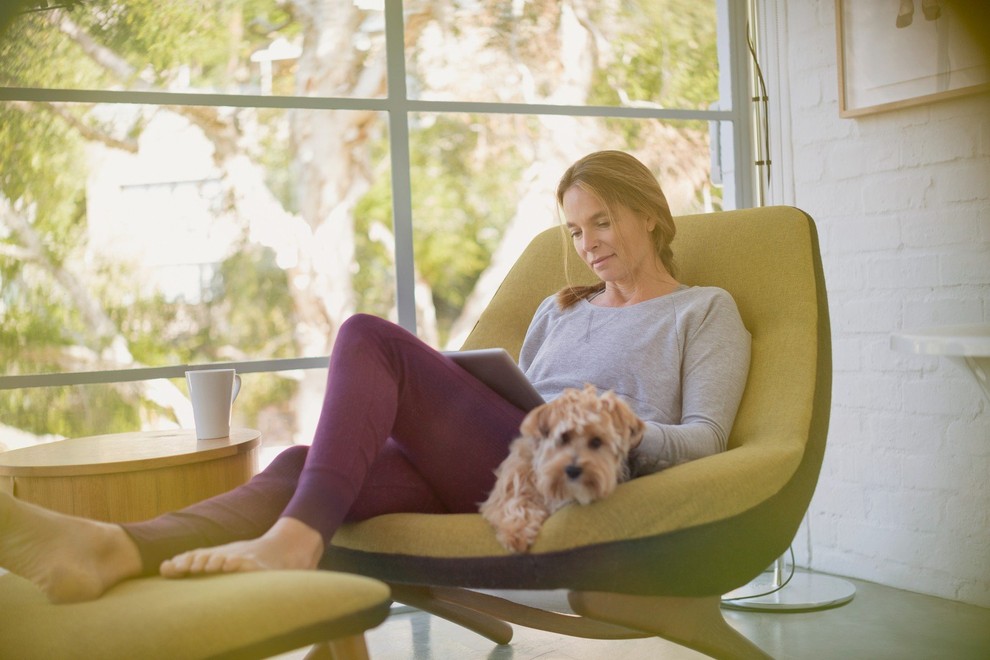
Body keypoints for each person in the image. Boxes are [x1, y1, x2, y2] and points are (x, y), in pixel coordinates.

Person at [0, 150, 751, 603]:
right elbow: (516, 392)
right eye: (575, 230)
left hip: (580, 473)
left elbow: (710, 439)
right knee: (301, 464)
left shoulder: (704, 311)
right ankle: (114, 548)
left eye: (603, 223)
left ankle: (296, 541)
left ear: (650, 214)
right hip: (502, 461)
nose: (587, 245)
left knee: (369, 337)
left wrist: (623, 429)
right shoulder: (563, 308)